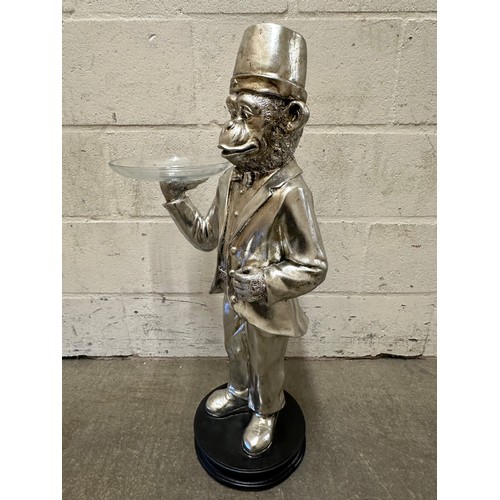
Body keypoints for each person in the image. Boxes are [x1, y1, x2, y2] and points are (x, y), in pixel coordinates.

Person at [160, 23, 327, 457]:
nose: (231, 131)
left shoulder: (292, 192)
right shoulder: (230, 181)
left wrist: (265, 283)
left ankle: (267, 410)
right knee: (235, 350)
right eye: (232, 114)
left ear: (289, 119)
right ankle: (238, 391)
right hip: (232, 297)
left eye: (246, 116)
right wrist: (176, 199)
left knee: (267, 363)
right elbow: (207, 237)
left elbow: (313, 265)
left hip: (268, 306)